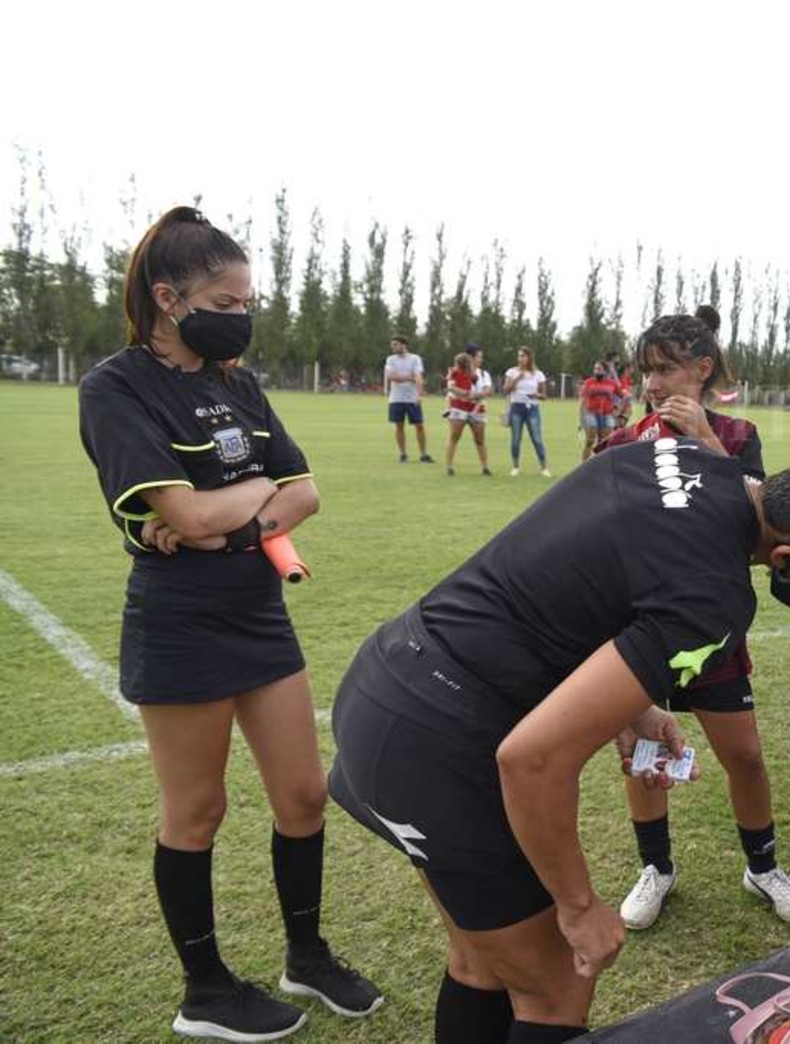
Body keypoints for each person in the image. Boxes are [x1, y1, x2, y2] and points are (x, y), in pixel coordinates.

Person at [327, 438, 790, 1043]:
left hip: (386, 684)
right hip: (438, 747)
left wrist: (634, 706)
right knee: (558, 983)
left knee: (482, 961)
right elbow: (532, 761)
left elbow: (586, 580)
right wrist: (579, 905)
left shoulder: (683, 456)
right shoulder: (711, 598)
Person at [77, 207, 381, 1041]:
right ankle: (204, 991)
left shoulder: (236, 383)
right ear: (170, 298)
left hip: (256, 610)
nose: (241, 312)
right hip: (178, 623)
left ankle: (306, 957)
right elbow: (181, 511)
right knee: (197, 812)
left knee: (303, 796)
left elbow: (304, 493)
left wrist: (231, 516)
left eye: (247, 296)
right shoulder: (114, 386)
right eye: (225, 296)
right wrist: (248, 503)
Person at [595, 306, 790, 930]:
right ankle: (656, 868)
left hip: (710, 627)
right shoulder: (619, 443)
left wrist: (707, 444)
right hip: (637, 626)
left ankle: (762, 865)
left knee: (742, 754)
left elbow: (761, 523)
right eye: (647, 372)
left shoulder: (738, 435)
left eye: (667, 370)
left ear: (703, 369)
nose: (654, 384)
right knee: (641, 752)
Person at [503, 346, 552, 478]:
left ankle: (544, 467)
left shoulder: (538, 374)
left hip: (532, 408)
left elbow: (544, 396)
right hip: (516, 407)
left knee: (537, 439)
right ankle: (515, 466)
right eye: (519, 356)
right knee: (515, 439)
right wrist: (517, 378)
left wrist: (537, 395)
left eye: (523, 356)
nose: (520, 359)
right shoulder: (511, 372)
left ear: (529, 357)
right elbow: (506, 389)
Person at [385, 334, 434, 463]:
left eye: (395, 344)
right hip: (396, 398)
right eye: (392, 345)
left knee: (419, 426)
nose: (393, 347)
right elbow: (391, 377)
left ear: (403, 345)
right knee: (399, 426)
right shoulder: (390, 359)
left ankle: (423, 455)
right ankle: (403, 454)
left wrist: (419, 394)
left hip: (412, 398)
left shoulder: (415, 359)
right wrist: (409, 378)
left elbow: (418, 376)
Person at [444, 350, 492, 476]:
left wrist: (474, 395)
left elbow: (485, 391)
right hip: (459, 407)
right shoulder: (454, 372)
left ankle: (485, 467)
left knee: (480, 439)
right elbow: (450, 388)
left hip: (477, 408)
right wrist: (464, 393)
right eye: (479, 357)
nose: (481, 359)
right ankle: (449, 466)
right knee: (454, 437)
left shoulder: (480, 374)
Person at [578, 361, 619, 461]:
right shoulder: (589, 382)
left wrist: (617, 409)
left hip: (607, 414)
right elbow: (583, 400)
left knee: (604, 443)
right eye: (595, 369)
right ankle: (583, 467)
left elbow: (622, 396)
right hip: (591, 413)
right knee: (590, 441)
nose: (596, 371)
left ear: (605, 371)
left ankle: (599, 466)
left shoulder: (612, 383)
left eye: (599, 369)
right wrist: (581, 418)